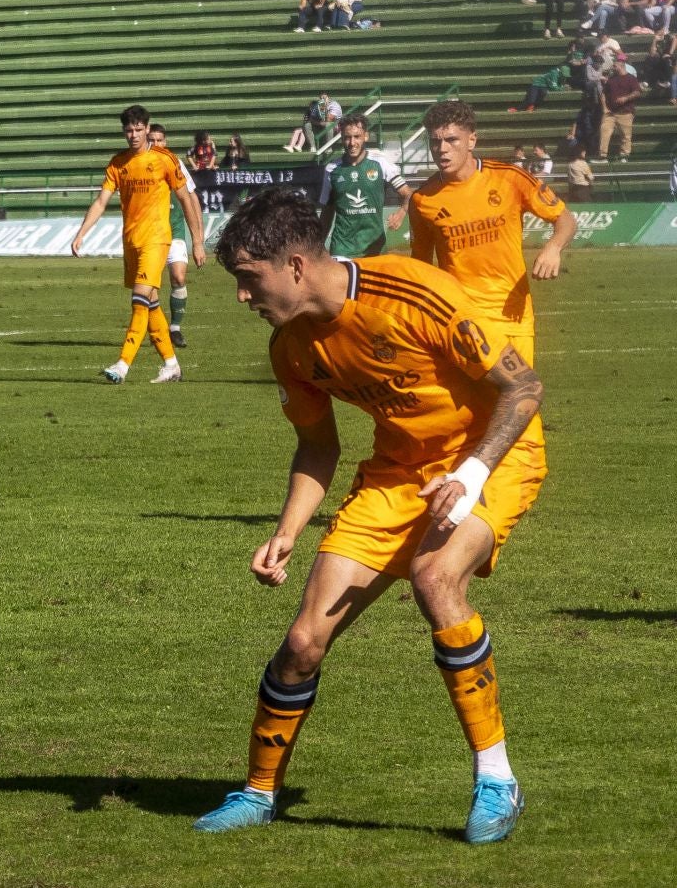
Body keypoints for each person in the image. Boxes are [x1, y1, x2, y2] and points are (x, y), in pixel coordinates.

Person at [193, 188, 546, 844]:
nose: (243, 296)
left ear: (295, 266)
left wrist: (471, 477)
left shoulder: (414, 294)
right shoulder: (291, 348)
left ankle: (497, 779)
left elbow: (523, 387)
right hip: (399, 476)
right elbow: (318, 444)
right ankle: (258, 792)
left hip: (493, 456)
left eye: (249, 279)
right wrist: (288, 533)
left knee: (435, 578)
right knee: (302, 642)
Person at [408, 100, 575, 530]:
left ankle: (492, 495)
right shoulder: (424, 201)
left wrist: (553, 248)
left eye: (451, 140)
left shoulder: (509, 178)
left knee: (514, 406)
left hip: (511, 318)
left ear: (471, 140)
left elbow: (565, 219)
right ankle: (462, 494)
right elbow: (422, 267)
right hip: (459, 322)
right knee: (465, 411)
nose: (442, 149)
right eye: (435, 141)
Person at [69, 104, 206, 383]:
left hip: (157, 239)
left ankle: (123, 364)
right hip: (131, 241)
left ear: (147, 128)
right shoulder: (118, 163)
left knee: (139, 300)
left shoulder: (165, 159)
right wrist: (82, 232)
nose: (133, 135)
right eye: (128, 130)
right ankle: (171, 365)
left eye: (139, 129)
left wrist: (198, 241)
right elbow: (101, 201)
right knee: (151, 303)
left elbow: (186, 199)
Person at [317, 113, 409, 258]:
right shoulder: (332, 169)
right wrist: (318, 246)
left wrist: (402, 211)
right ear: (341, 138)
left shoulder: (381, 164)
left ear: (366, 136)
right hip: (342, 250)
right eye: (347, 137)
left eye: (357, 136)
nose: (352, 142)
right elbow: (327, 212)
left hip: (375, 249)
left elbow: (408, 193)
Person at [150, 123, 199, 346]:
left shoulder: (175, 162)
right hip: (150, 234)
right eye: (152, 140)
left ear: (165, 142)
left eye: (160, 140)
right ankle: (155, 328)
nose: (156, 144)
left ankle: (175, 328)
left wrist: (197, 239)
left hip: (175, 230)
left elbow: (190, 197)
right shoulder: (141, 163)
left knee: (179, 277)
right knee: (149, 286)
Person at [599, 61, 642, 161]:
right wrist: (605, 108)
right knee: (604, 132)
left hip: (626, 112)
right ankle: (602, 156)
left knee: (625, 136)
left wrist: (625, 98)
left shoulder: (631, 78)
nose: (613, 67)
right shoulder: (611, 79)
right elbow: (603, 94)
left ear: (621, 66)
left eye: (615, 65)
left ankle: (624, 156)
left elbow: (637, 92)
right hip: (610, 113)